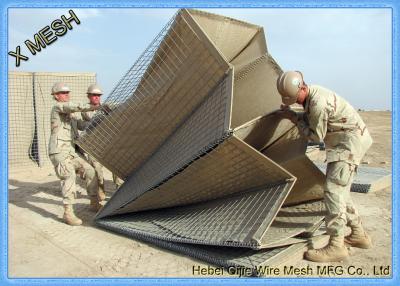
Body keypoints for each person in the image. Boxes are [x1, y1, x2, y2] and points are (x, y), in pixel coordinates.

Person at [276, 71, 373, 262]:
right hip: (346, 141)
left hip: (348, 144)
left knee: (333, 191)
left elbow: (315, 136)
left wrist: (294, 119)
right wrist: (297, 114)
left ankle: (336, 246)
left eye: (295, 98)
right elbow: (311, 117)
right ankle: (358, 235)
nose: (295, 102)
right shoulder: (313, 94)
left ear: (302, 87)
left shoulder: (318, 103)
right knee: (341, 192)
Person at [48, 82, 102, 226]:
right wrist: (95, 106)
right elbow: (72, 106)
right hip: (59, 151)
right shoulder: (57, 108)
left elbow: (83, 125)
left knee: (90, 170)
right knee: (69, 175)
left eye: (68, 93)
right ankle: (68, 212)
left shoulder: (71, 115)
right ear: (56, 96)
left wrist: (99, 119)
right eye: (64, 93)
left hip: (71, 151)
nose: (67, 95)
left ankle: (94, 202)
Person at [81, 84, 124, 192]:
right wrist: (105, 110)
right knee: (97, 173)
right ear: (89, 96)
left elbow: (119, 107)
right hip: (94, 146)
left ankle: (120, 191)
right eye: (94, 95)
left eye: (98, 95)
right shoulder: (86, 110)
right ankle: (100, 196)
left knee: (118, 169)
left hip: (108, 143)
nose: (96, 97)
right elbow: (93, 119)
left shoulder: (105, 106)